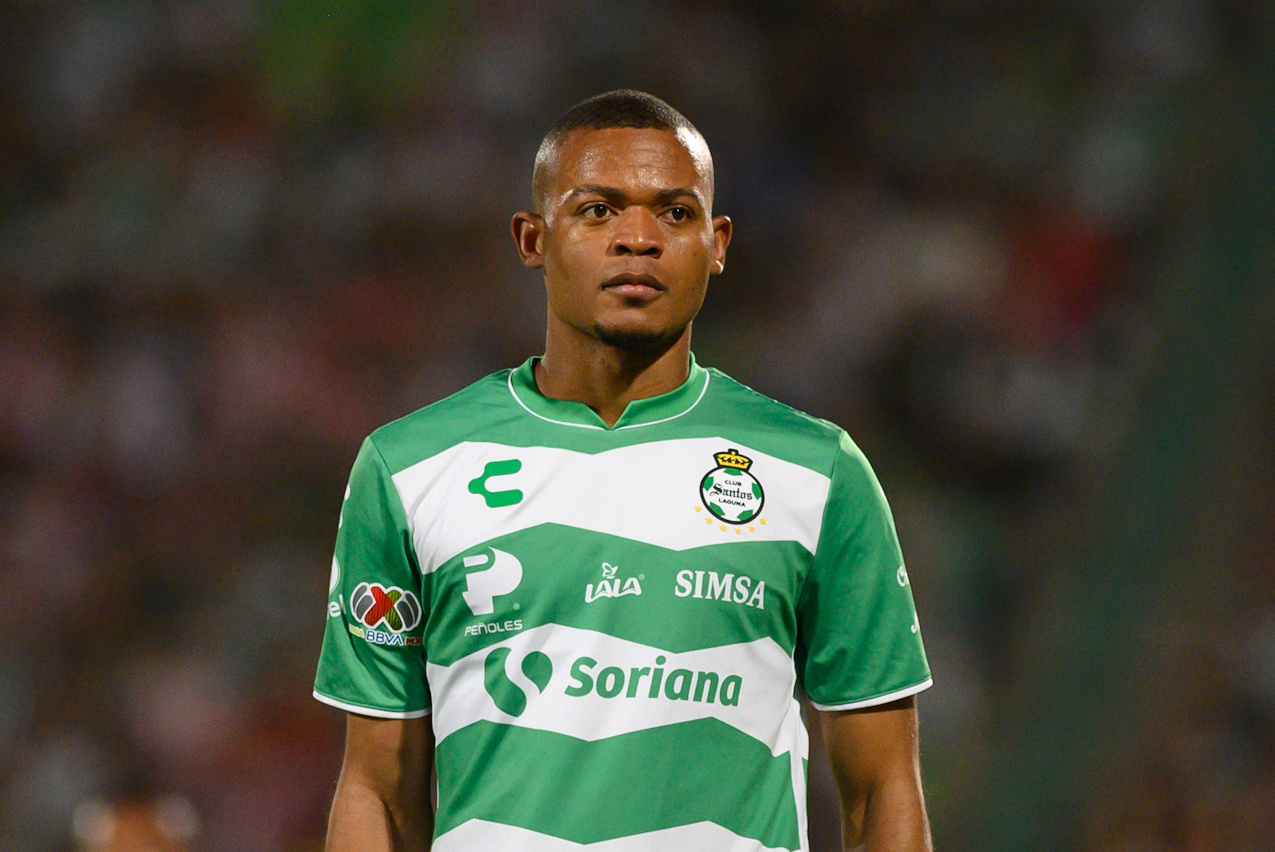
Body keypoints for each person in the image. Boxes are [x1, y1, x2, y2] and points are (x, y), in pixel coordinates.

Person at [314, 89, 933, 852]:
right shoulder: (408, 468)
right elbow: (377, 791)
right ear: (532, 238)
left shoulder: (815, 472)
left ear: (716, 243)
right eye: (597, 210)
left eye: (674, 213)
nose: (637, 239)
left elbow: (882, 789)